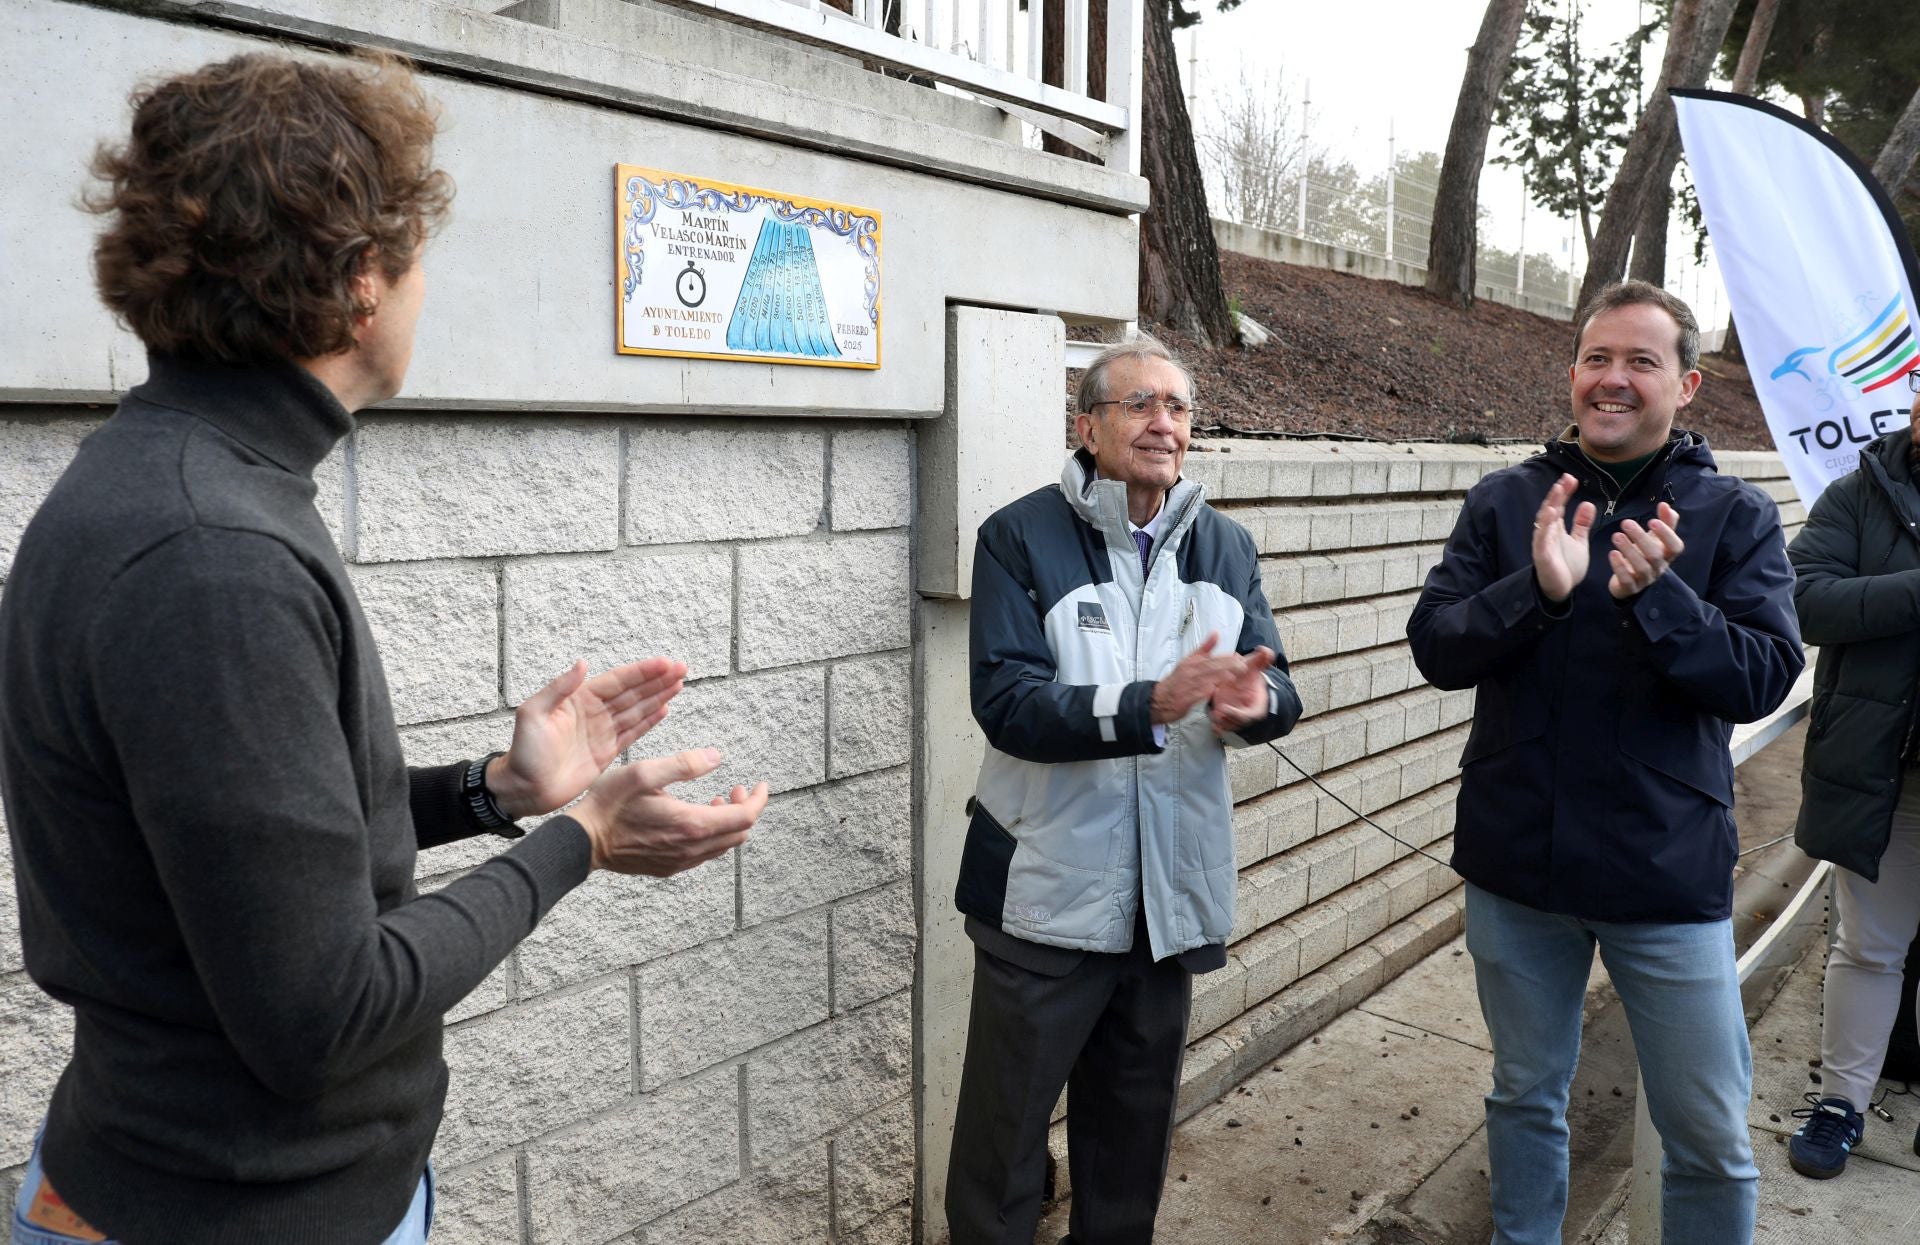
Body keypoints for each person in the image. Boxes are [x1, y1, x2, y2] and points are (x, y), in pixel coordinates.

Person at [0, 54, 767, 1244]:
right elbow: (323, 1012)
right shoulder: (212, 554)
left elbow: (256, 852)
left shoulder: (179, 484)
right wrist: (582, 838)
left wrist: (497, 792)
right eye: (413, 260)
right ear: (362, 283)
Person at [1407, 280, 1803, 1245]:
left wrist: (1662, 601)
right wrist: (1535, 591)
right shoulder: (1508, 500)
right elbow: (1437, 646)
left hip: (1664, 877)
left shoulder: (1732, 515)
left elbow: (1765, 675)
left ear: (1688, 384)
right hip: (1517, 869)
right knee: (1523, 1094)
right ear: (1573, 371)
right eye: (1596, 359)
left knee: (1707, 1131)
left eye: (1640, 361)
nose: (1613, 380)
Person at [945, 334, 1303, 1244]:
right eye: (1139, 403)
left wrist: (1255, 705)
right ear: (1089, 425)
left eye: (1178, 407)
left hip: (1166, 905)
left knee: (1127, 1162)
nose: (1163, 422)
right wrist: (1151, 702)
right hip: (1043, 900)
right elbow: (1009, 703)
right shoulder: (1018, 535)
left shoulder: (1226, 546)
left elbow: (1280, 689)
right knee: (1001, 1161)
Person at [1779, 367, 1920, 1179]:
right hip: (1884, 773)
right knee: (1870, 947)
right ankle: (1840, 1104)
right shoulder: (1859, 490)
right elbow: (1803, 600)